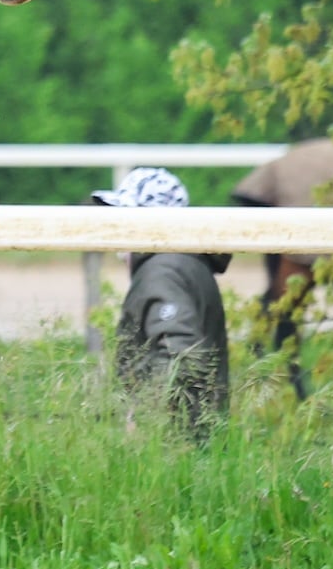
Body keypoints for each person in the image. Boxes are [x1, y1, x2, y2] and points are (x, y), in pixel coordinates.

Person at [91, 167, 230, 439]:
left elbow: (181, 356)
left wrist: (145, 421)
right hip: (196, 438)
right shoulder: (183, 264)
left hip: (174, 444)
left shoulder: (163, 271)